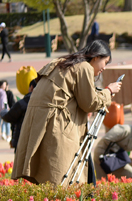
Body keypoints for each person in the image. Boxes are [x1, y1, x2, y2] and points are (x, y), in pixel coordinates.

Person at [12, 40, 120, 184]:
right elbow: (90, 103)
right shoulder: (84, 67)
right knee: (63, 178)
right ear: (96, 57)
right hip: (56, 123)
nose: (104, 68)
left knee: (46, 176)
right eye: (105, 62)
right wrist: (109, 91)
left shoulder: (62, 62)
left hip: (38, 122)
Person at [2, 78, 37, 151]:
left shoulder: (23, 103)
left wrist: (3, 111)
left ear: (31, 88)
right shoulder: (47, 104)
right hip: (37, 142)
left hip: (21, 141)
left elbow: (9, 116)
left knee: (21, 161)